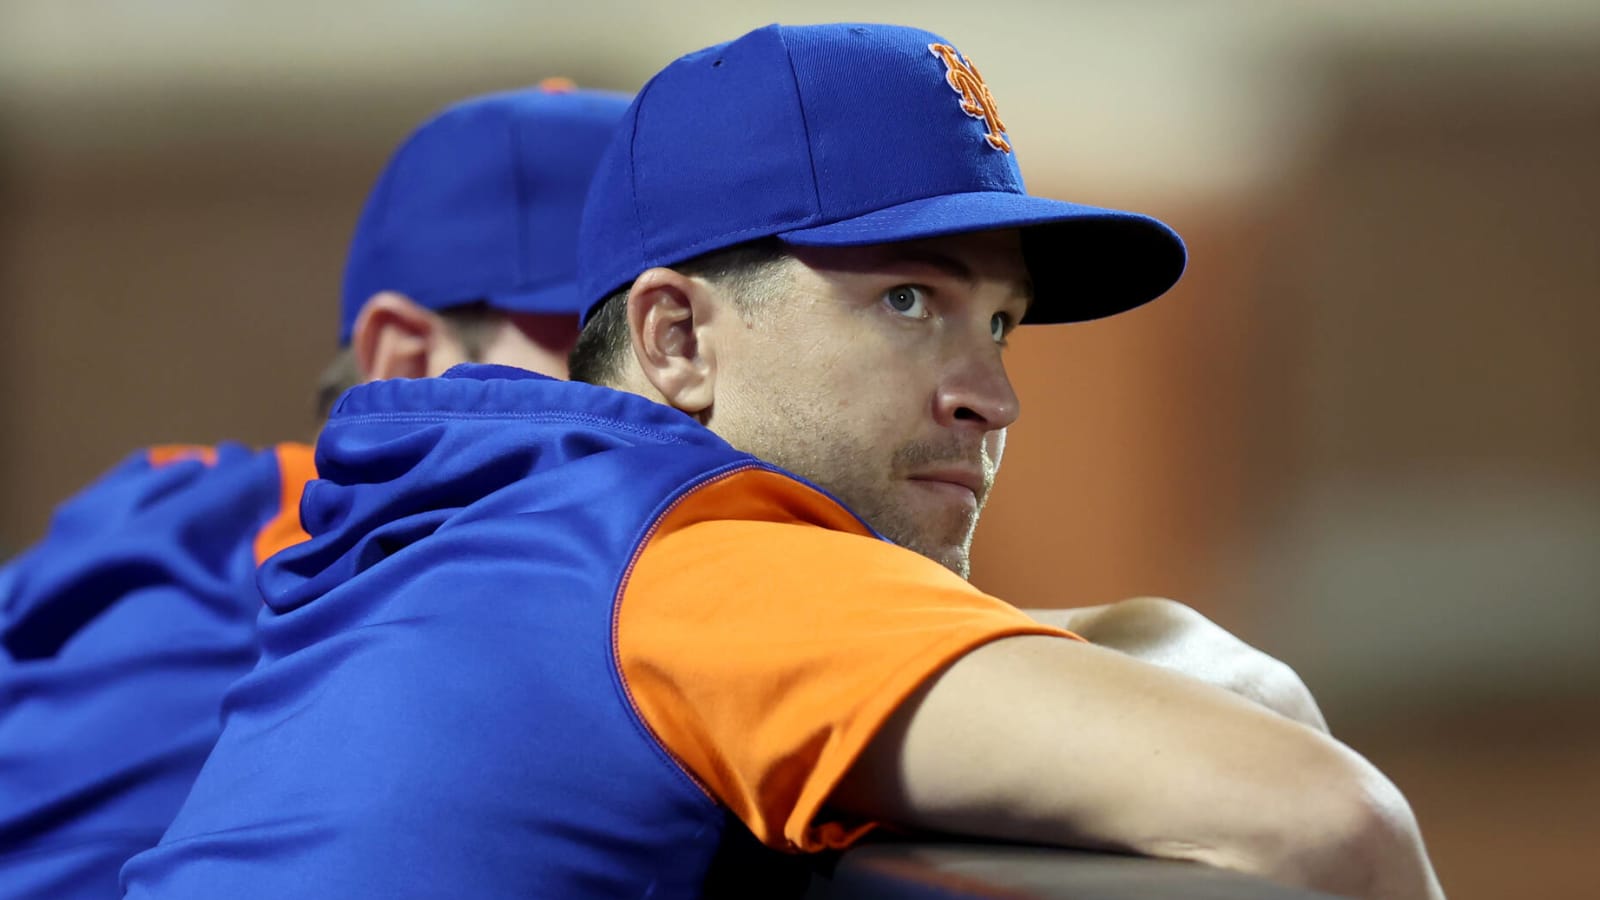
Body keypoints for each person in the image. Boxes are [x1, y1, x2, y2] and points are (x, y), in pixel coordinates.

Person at [124, 23, 1444, 900]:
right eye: (908, 302)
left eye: (1001, 324)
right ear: (677, 338)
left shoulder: (459, 538)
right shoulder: (690, 549)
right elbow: (1336, 826)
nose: (992, 396)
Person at [0, 84, 629, 899]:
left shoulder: (218, 523)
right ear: (404, 364)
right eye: (598, 361)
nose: (671, 404)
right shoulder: (250, 601)